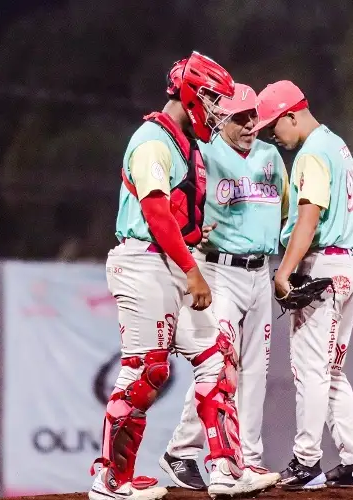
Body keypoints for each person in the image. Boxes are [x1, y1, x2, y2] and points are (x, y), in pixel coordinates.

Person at [88, 53, 279, 500]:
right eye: (212, 98)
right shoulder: (153, 140)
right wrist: (195, 272)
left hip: (168, 261)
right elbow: (155, 213)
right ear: (192, 93)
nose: (217, 109)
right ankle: (110, 480)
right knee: (145, 370)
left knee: (216, 358)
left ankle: (226, 470)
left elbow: (174, 213)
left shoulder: (183, 142)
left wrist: (193, 237)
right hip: (145, 263)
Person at [250, 80, 353, 490]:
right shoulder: (336, 145)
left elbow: (308, 217)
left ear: (292, 113)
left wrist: (285, 272)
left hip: (321, 265)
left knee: (310, 371)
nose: (274, 134)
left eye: (275, 124)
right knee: (331, 370)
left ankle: (307, 462)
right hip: (349, 266)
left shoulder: (311, 155)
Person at [159, 83, 287, 490]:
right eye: (240, 117)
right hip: (218, 270)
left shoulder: (270, 156)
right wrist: (191, 229)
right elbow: (175, 203)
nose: (251, 123)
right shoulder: (204, 154)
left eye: (253, 115)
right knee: (221, 364)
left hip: (259, 271)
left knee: (256, 371)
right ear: (220, 119)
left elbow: (284, 205)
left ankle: (246, 460)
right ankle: (185, 451)